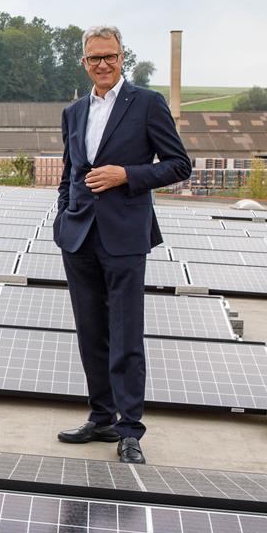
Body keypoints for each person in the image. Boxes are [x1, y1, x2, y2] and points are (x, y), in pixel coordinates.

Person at [53, 25, 191, 464]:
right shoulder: (74, 112)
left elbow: (178, 165)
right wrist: (62, 219)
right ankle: (102, 416)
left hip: (125, 237)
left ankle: (130, 429)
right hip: (79, 237)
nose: (103, 64)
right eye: (94, 58)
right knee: (91, 332)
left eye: (109, 56)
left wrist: (127, 175)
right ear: (84, 62)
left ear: (122, 56)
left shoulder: (147, 104)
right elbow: (69, 172)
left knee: (125, 334)